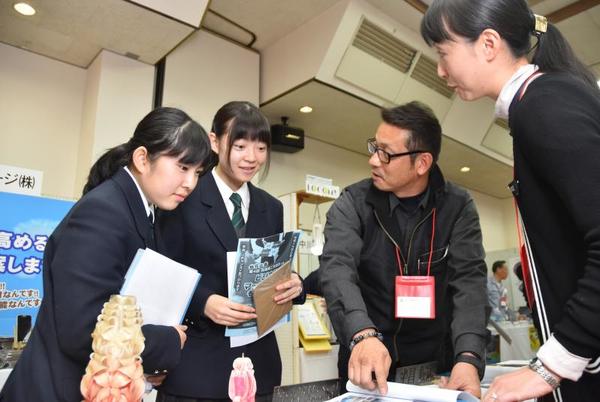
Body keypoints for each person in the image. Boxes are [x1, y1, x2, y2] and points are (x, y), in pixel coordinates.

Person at [421, 1, 600, 401]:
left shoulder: (543, 104)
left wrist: (553, 365)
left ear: (488, 44)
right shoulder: (539, 102)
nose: (441, 70)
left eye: (443, 53)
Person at [0, 107, 213, 402]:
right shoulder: (103, 212)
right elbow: (83, 329)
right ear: (142, 159)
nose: (190, 183)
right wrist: (167, 340)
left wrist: (141, 366)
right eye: (183, 167)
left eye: (197, 173)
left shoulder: (140, 210)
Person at [319, 101, 488, 398]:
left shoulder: (457, 207)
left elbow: (469, 283)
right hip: (367, 358)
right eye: (374, 147)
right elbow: (337, 268)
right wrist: (361, 334)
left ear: (422, 163)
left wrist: (469, 357)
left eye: (385, 153)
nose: (373, 160)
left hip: (434, 367)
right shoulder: (354, 203)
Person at [157, 101, 305, 401]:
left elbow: (270, 270)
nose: (252, 158)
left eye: (261, 148)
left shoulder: (271, 207)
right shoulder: (184, 196)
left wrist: (294, 284)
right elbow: (162, 272)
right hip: (197, 363)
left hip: (258, 363)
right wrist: (204, 302)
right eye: (240, 146)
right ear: (214, 142)